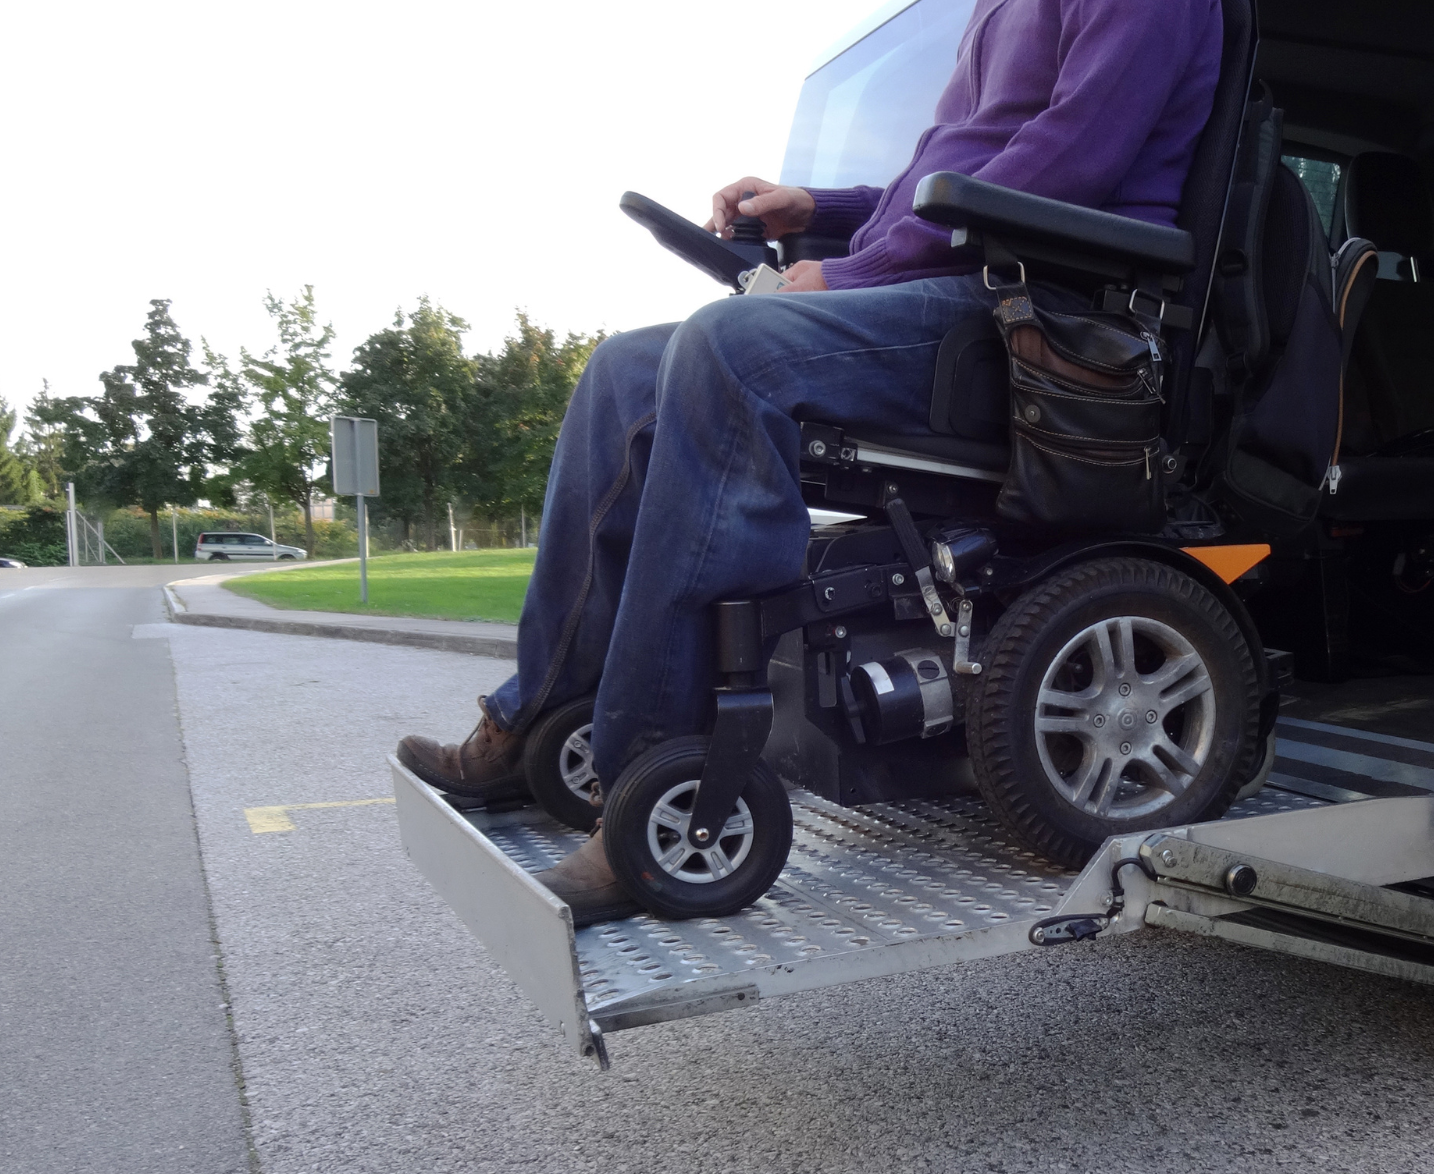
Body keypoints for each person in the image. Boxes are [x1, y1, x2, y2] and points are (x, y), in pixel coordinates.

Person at [397, 0, 1224, 923]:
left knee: (733, 349)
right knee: (625, 368)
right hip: (961, 286)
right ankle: (534, 715)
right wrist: (820, 210)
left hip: (1041, 314)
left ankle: (651, 777)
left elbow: (1069, 167)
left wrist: (855, 272)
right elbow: (951, 175)